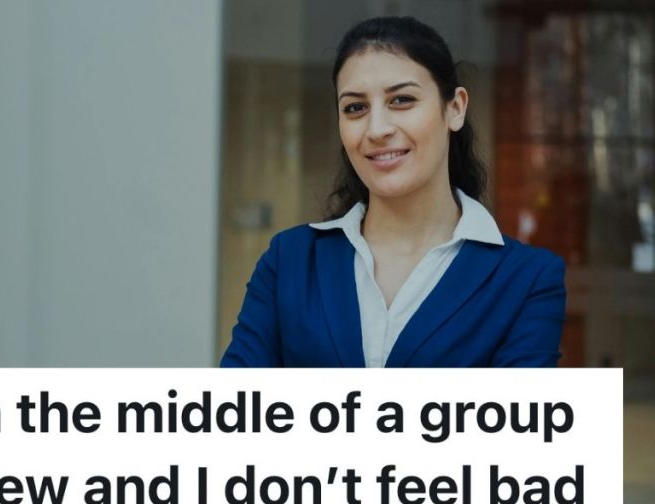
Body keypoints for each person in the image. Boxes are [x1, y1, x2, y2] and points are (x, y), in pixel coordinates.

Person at [220, 16, 566, 368]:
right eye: (355, 108)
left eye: (401, 100)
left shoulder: (528, 280)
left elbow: (519, 421)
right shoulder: (289, 260)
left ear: (456, 108)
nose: (377, 129)